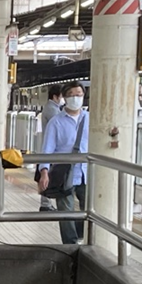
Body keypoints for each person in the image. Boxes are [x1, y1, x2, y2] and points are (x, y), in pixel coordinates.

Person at [41, 83, 90, 246]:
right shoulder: (56, 122)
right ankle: (71, 246)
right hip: (63, 174)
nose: (76, 98)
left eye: (79, 94)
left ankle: (82, 237)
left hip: (86, 173)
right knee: (66, 212)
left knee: (89, 210)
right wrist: (44, 171)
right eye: (72, 95)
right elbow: (47, 148)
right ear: (65, 98)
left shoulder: (90, 119)